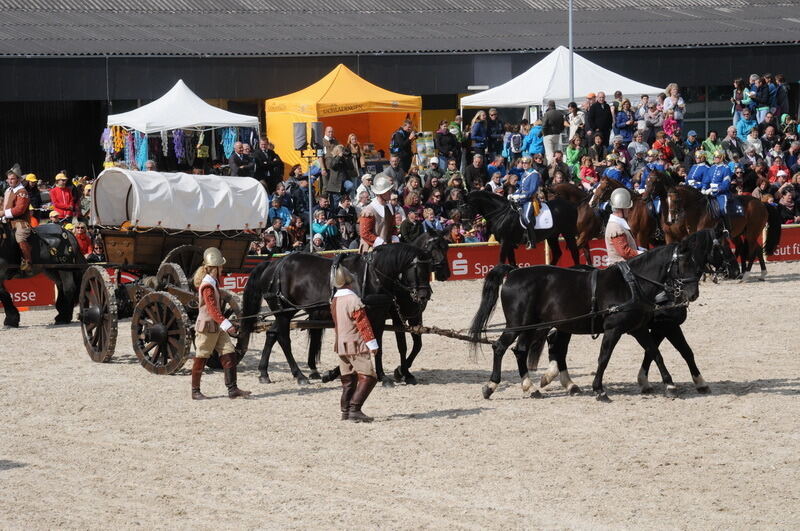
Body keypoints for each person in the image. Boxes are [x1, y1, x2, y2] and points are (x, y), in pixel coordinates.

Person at [190, 248, 250, 400]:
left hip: (216, 326)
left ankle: (233, 389)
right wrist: (227, 325)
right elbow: (211, 309)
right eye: (221, 266)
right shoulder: (208, 285)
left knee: (229, 352)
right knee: (202, 357)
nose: (223, 268)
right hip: (207, 327)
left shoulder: (214, 282)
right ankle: (195, 391)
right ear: (215, 268)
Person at [330, 265, 379, 422]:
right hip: (355, 344)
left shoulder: (335, 300)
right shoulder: (353, 299)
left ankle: (345, 411)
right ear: (349, 281)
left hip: (341, 344)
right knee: (369, 377)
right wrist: (372, 344)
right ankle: (355, 409)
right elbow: (362, 323)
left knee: (348, 380)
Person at [2, 166, 33, 271]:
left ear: (19, 179)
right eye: (8, 179)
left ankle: (27, 262)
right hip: (7, 221)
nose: (10, 181)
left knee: (20, 237)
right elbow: (4, 205)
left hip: (21, 222)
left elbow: (19, 210)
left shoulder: (22, 192)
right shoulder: (7, 191)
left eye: (12, 179)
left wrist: (3, 213)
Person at [358, 174, 398, 252]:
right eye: (388, 191)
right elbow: (365, 233)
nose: (390, 193)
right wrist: (381, 242)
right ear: (381, 194)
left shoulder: (390, 208)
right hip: (371, 248)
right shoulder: (369, 211)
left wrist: (394, 237)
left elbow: (393, 227)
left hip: (387, 247)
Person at [605, 188, 644, 264]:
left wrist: (639, 249)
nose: (629, 211)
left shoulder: (619, 224)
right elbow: (625, 252)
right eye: (627, 209)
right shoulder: (615, 227)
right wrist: (642, 253)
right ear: (621, 209)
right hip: (620, 269)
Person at [509, 156, 541, 249]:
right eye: (523, 163)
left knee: (526, 217)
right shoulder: (524, 173)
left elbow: (533, 190)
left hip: (530, 200)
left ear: (530, 164)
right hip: (521, 199)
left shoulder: (534, 174)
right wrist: (514, 194)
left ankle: (533, 241)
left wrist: (522, 196)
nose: (524, 165)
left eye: (526, 163)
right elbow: (521, 188)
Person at [702, 152, 733, 232]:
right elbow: (706, 179)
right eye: (714, 157)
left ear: (721, 158)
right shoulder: (712, 168)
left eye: (717, 157)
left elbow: (726, 184)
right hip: (709, 192)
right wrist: (704, 188)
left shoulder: (726, 168)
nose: (715, 159)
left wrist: (714, 189)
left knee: (723, 209)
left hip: (721, 194)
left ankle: (726, 228)